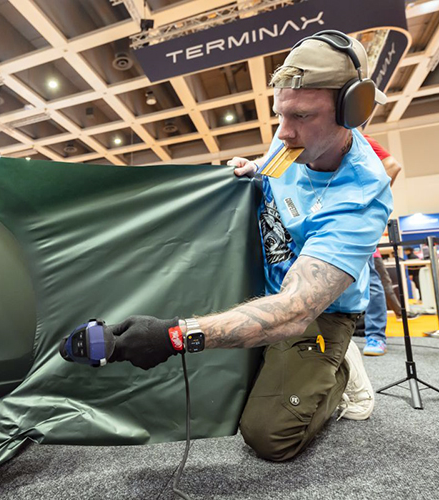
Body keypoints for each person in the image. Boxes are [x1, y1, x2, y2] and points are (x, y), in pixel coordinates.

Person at [103, 31, 393, 461]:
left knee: (269, 435)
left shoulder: (362, 197)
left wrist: (174, 337)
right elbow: (278, 168)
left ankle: (341, 367)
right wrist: (256, 168)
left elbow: (295, 310)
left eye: (302, 116)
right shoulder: (292, 138)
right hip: (265, 281)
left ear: (351, 112)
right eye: (281, 113)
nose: (284, 132)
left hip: (319, 311)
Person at [362, 135, 418, 356]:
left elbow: (392, 165)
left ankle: (376, 336)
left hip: (358, 220)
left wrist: (366, 201)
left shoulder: (355, 137)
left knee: (371, 279)